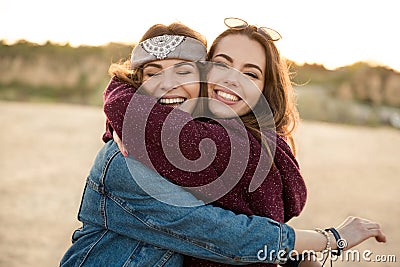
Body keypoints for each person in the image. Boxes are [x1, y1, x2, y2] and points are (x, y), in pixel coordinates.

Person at [60, 22, 386, 267]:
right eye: (223, 65)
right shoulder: (128, 160)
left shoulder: (245, 154)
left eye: (183, 71)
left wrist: (295, 258)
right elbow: (221, 234)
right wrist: (329, 239)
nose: (168, 84)